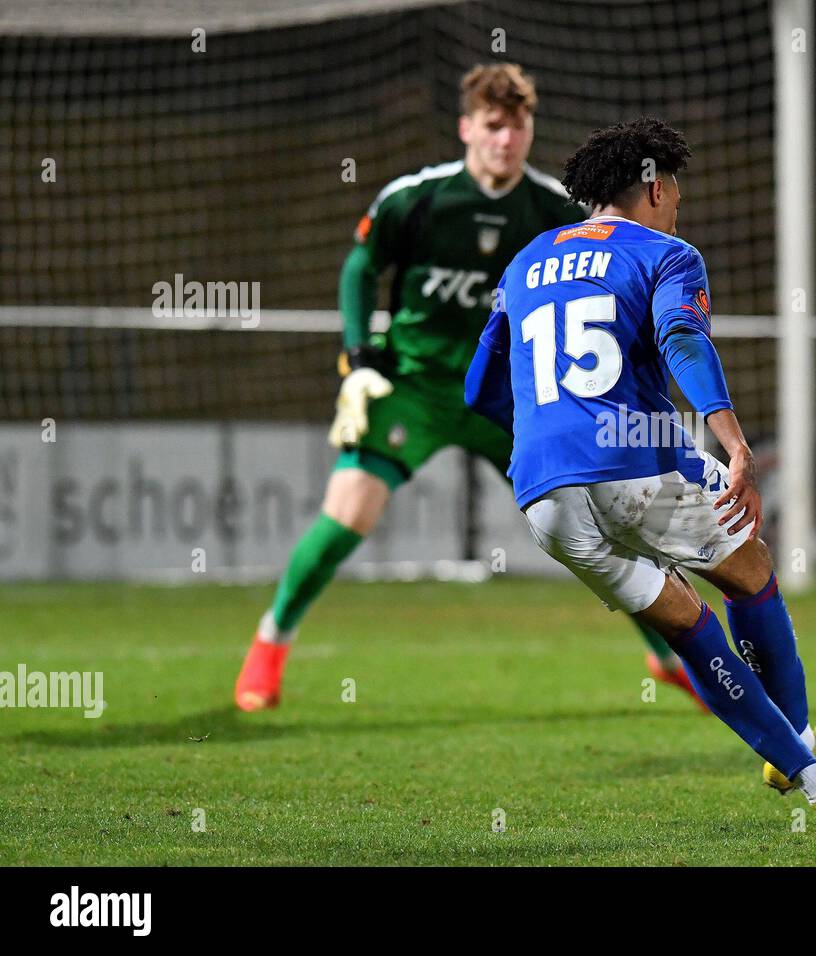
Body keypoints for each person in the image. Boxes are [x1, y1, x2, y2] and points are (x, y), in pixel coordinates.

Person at [235, 65, 702, 712]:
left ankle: (670, 655)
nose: (507, 139)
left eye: (518, 125)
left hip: (514, 397)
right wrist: (359, 357)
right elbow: (360, 267)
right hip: (416, 386)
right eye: (494, 125)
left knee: (602, 524)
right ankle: (270, 644)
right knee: (348, 513)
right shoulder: (417, 197)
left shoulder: (552, 210)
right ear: (467, 128)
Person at [466, 117, 816, 833]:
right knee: (750, 568)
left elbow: (478, 390)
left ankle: (811, 776)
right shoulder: (667, 252)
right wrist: (733, 438)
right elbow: (681, 338)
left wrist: (546, 442)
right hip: (640, 461)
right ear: (654, 183)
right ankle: (797, 745)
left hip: (543, 495)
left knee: (687, 627)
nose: (678, 197)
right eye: (675, 183)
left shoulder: (524, 261)